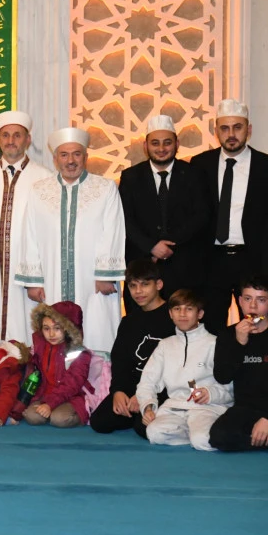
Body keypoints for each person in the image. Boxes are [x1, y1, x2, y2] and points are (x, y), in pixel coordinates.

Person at [16, 127, 126, 352]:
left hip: (94, 281)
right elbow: (30, 233)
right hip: (51, 279)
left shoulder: (105, 188)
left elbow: (113, 230)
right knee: (54, 332)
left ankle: (99, 383)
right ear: (55, 159)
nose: (71, 161)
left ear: (86, 157)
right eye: (64, 155)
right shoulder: (39, 190)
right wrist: (34, 280)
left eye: (77, 154)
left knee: (97, 328)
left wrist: (105, 274)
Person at [0, 110, 53, 341]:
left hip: (27, 266)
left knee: (26, 327)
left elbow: (46, 230)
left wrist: (37, 275)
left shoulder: (44, 177)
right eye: (5, 135)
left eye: (17, 135)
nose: (11, 141)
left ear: (28, 139)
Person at [191, 98, 267, 334]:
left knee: (257, 326)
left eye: (237, 127)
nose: (231, 134)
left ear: (249, 130)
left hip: (253, 259)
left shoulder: (265, 166)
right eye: (225, 128)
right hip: (212, 260)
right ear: (216, 132)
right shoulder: (200, 164)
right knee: (210, 326)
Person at [119, 115, 209, 310]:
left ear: (177, 144)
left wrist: (168, 244)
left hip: (184, 267)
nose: (161, 149)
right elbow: (125, 219)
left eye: (167, 143)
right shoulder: (131, 177)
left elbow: (201, 216)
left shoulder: (194, 174)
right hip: (143, 266)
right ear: (145, 146)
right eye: (155, 143)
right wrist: (151, 246)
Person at [136, 289, 232, 451]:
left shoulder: (215, 344)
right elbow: (147, 382)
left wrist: (210, 393)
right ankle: (193, 433)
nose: (182, 314)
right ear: (170, 314)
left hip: (207, 408)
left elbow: (230, 387)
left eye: (189, 309)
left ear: (200, 314)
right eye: (177, 309)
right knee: (154, 433)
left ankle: (199, 434)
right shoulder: (165, 345)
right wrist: (148, 407)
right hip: (174, 408)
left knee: (202, 441)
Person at [89, 260, 176, 437]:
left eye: (145, 285)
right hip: (133, 387)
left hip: (163, 388)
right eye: (133, 286)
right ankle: (134, 412)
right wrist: (118, 391)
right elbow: (120, 362)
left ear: (158, 285)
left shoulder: (174, 317)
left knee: (144, 429)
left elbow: (178, 366)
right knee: (99, 422)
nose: (138, 291)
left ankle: (146, 416)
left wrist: (146, 395)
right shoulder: (129, 321)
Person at [12, 302, 93, 428]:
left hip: (71, 397)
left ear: (67, 329)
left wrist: (50, 404)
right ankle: (50, 411)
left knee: (59, 419)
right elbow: (28, 359)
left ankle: (84, 414)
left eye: (57, 328)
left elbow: (71, 385)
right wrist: (17, 349)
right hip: (45, 395)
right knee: (31, 416)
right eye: (46, 328)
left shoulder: (79, 353)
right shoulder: (40, 346)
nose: (51, 334)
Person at [210, 275, 268, 451]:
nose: (253, 306)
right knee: (218, 436)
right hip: (246, 408)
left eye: (261, 300)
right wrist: (239, 343)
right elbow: (222, 377)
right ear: (240, 301)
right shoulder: (228, 334)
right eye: (248, 299)